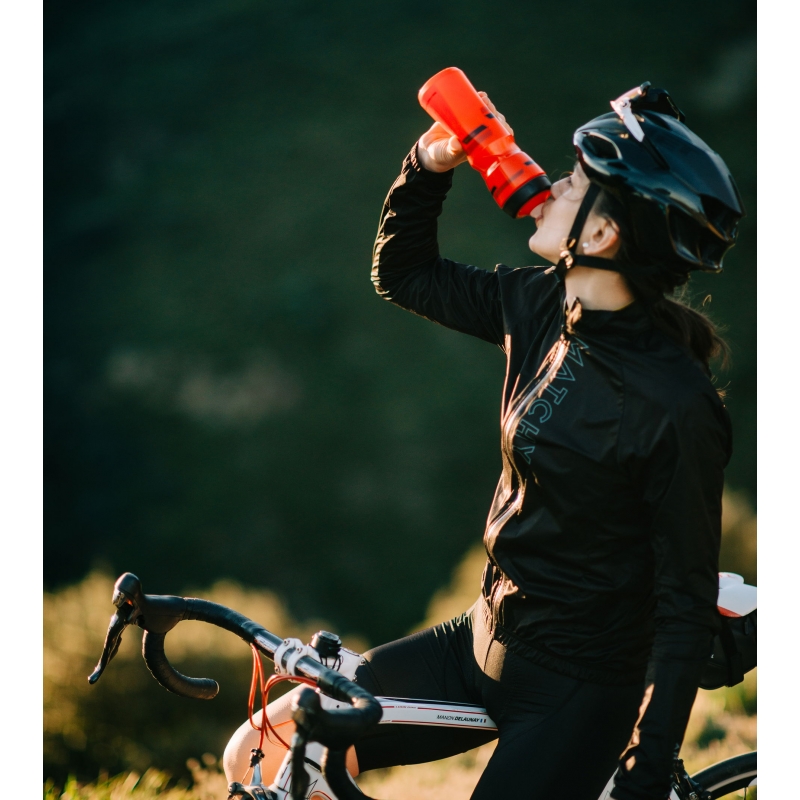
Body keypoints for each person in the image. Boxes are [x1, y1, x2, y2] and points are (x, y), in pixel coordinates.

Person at [224, 83, 743, 800]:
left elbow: (683, 605)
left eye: (575, 184)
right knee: (262, 751)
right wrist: (427, 165)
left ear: (601, 236)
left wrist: (645, 769)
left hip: (577, 689)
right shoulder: (542, 303)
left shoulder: (674, 405)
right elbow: (404, 275)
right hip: (482, 640)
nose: (552, 186)